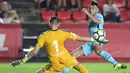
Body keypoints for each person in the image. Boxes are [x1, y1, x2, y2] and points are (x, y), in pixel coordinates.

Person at [11, 16, 107, 73]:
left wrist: (22, 61)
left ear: (49, 24)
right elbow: (79, 38)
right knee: (81, 68)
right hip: (67, 58)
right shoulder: (63, 32)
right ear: (59, 24)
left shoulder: (43, 36)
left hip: (55, 63)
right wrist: (93, 39)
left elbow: (34, 52)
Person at [62, 1, 127, 73]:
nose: (91, 10)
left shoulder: (98, 15)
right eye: (90, 8)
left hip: (97, 39)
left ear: (97, 10)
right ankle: (116, 64)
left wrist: (87, 13)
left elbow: (98, 22)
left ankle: (116, 64)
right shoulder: (91, 17)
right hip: (91, 41)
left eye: (93, 8)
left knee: (98, 51)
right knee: (72, 56)